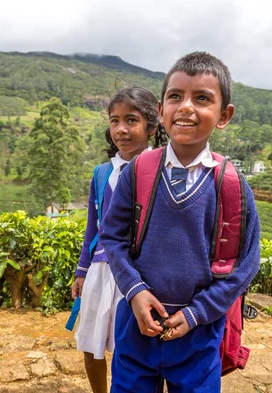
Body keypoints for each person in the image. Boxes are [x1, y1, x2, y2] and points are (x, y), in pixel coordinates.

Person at [100, 52, 261, 392]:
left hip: (198, 335)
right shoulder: (138, 172)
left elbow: (245, 265)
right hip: (137, 327)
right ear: (161, 110)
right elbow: (111, 237)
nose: (186, 107)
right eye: (175, 96)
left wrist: (196, 313)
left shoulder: (231, 185)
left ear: (224, 115)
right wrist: (135, 291)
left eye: (202, 98)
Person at [71, 87, 168, 393]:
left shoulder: (162, 169)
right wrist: (82, 270)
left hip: (138, 273)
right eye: (115, 121)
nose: (122, 129)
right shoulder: (102, 173)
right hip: (101, 268)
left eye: (131, 120)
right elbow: (93, 226)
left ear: (151, 127)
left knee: (135, 346)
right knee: (92, 341)